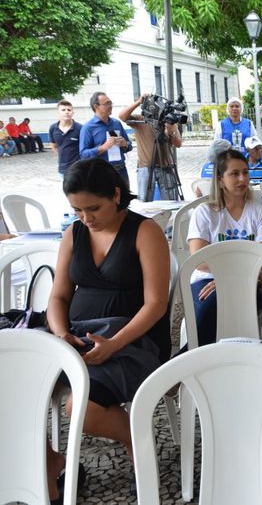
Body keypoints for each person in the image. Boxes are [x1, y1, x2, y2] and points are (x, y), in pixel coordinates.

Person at [47, 158, 170, 500]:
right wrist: (60, 338)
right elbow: (57, 296)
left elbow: (156, 304)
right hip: (76, 339)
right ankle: (49, 466)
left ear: (116, 195)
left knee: (79, 406)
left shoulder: (145, 232)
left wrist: (113, 344)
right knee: (12, 383)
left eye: (93, 208)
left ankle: (135, 438)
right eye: (77, 210)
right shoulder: (75, 234)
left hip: (134, 343)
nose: (86, 218)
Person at [186, 148, 262, 348]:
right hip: (207, 280)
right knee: (212, 304)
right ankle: (201, 358)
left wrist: (229, 278)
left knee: (228, 302)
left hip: (249, 281)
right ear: (220, 179)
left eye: (245, 172)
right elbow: (199, 260)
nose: (242, 179)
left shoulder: (260, 214)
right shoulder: (205, 212)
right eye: (234, 174)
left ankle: (190, 358)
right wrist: (229, 276)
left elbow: (261, 259)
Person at [118, 94, 183, 201]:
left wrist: (171, 131)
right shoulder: (140, 120)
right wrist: (139, 101)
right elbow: (122, 116)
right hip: (145, 167)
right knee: (145, 203)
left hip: (166, 166)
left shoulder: (169, 121)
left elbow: (178, 144)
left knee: (172, 202)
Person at [79, 92, 133, 183]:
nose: (110, 106)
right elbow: (83, 154)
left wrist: (125, 144)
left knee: (124, 197)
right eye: (107, 103)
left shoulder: (116, 123)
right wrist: (104, 147)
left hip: (121, 171)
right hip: (101, 173)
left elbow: (129, 146)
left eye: (110, 103)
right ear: (96, 106)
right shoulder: (88, 128)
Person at [49, 100, 82, 177]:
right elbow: (53, 146)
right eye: (63, 110)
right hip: (62, 169)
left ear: (73, 113)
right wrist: (62, 154)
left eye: (69, 110)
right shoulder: (53, 128)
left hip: (78, 168)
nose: (66, 112)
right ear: (58, 113)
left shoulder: (80, 128)